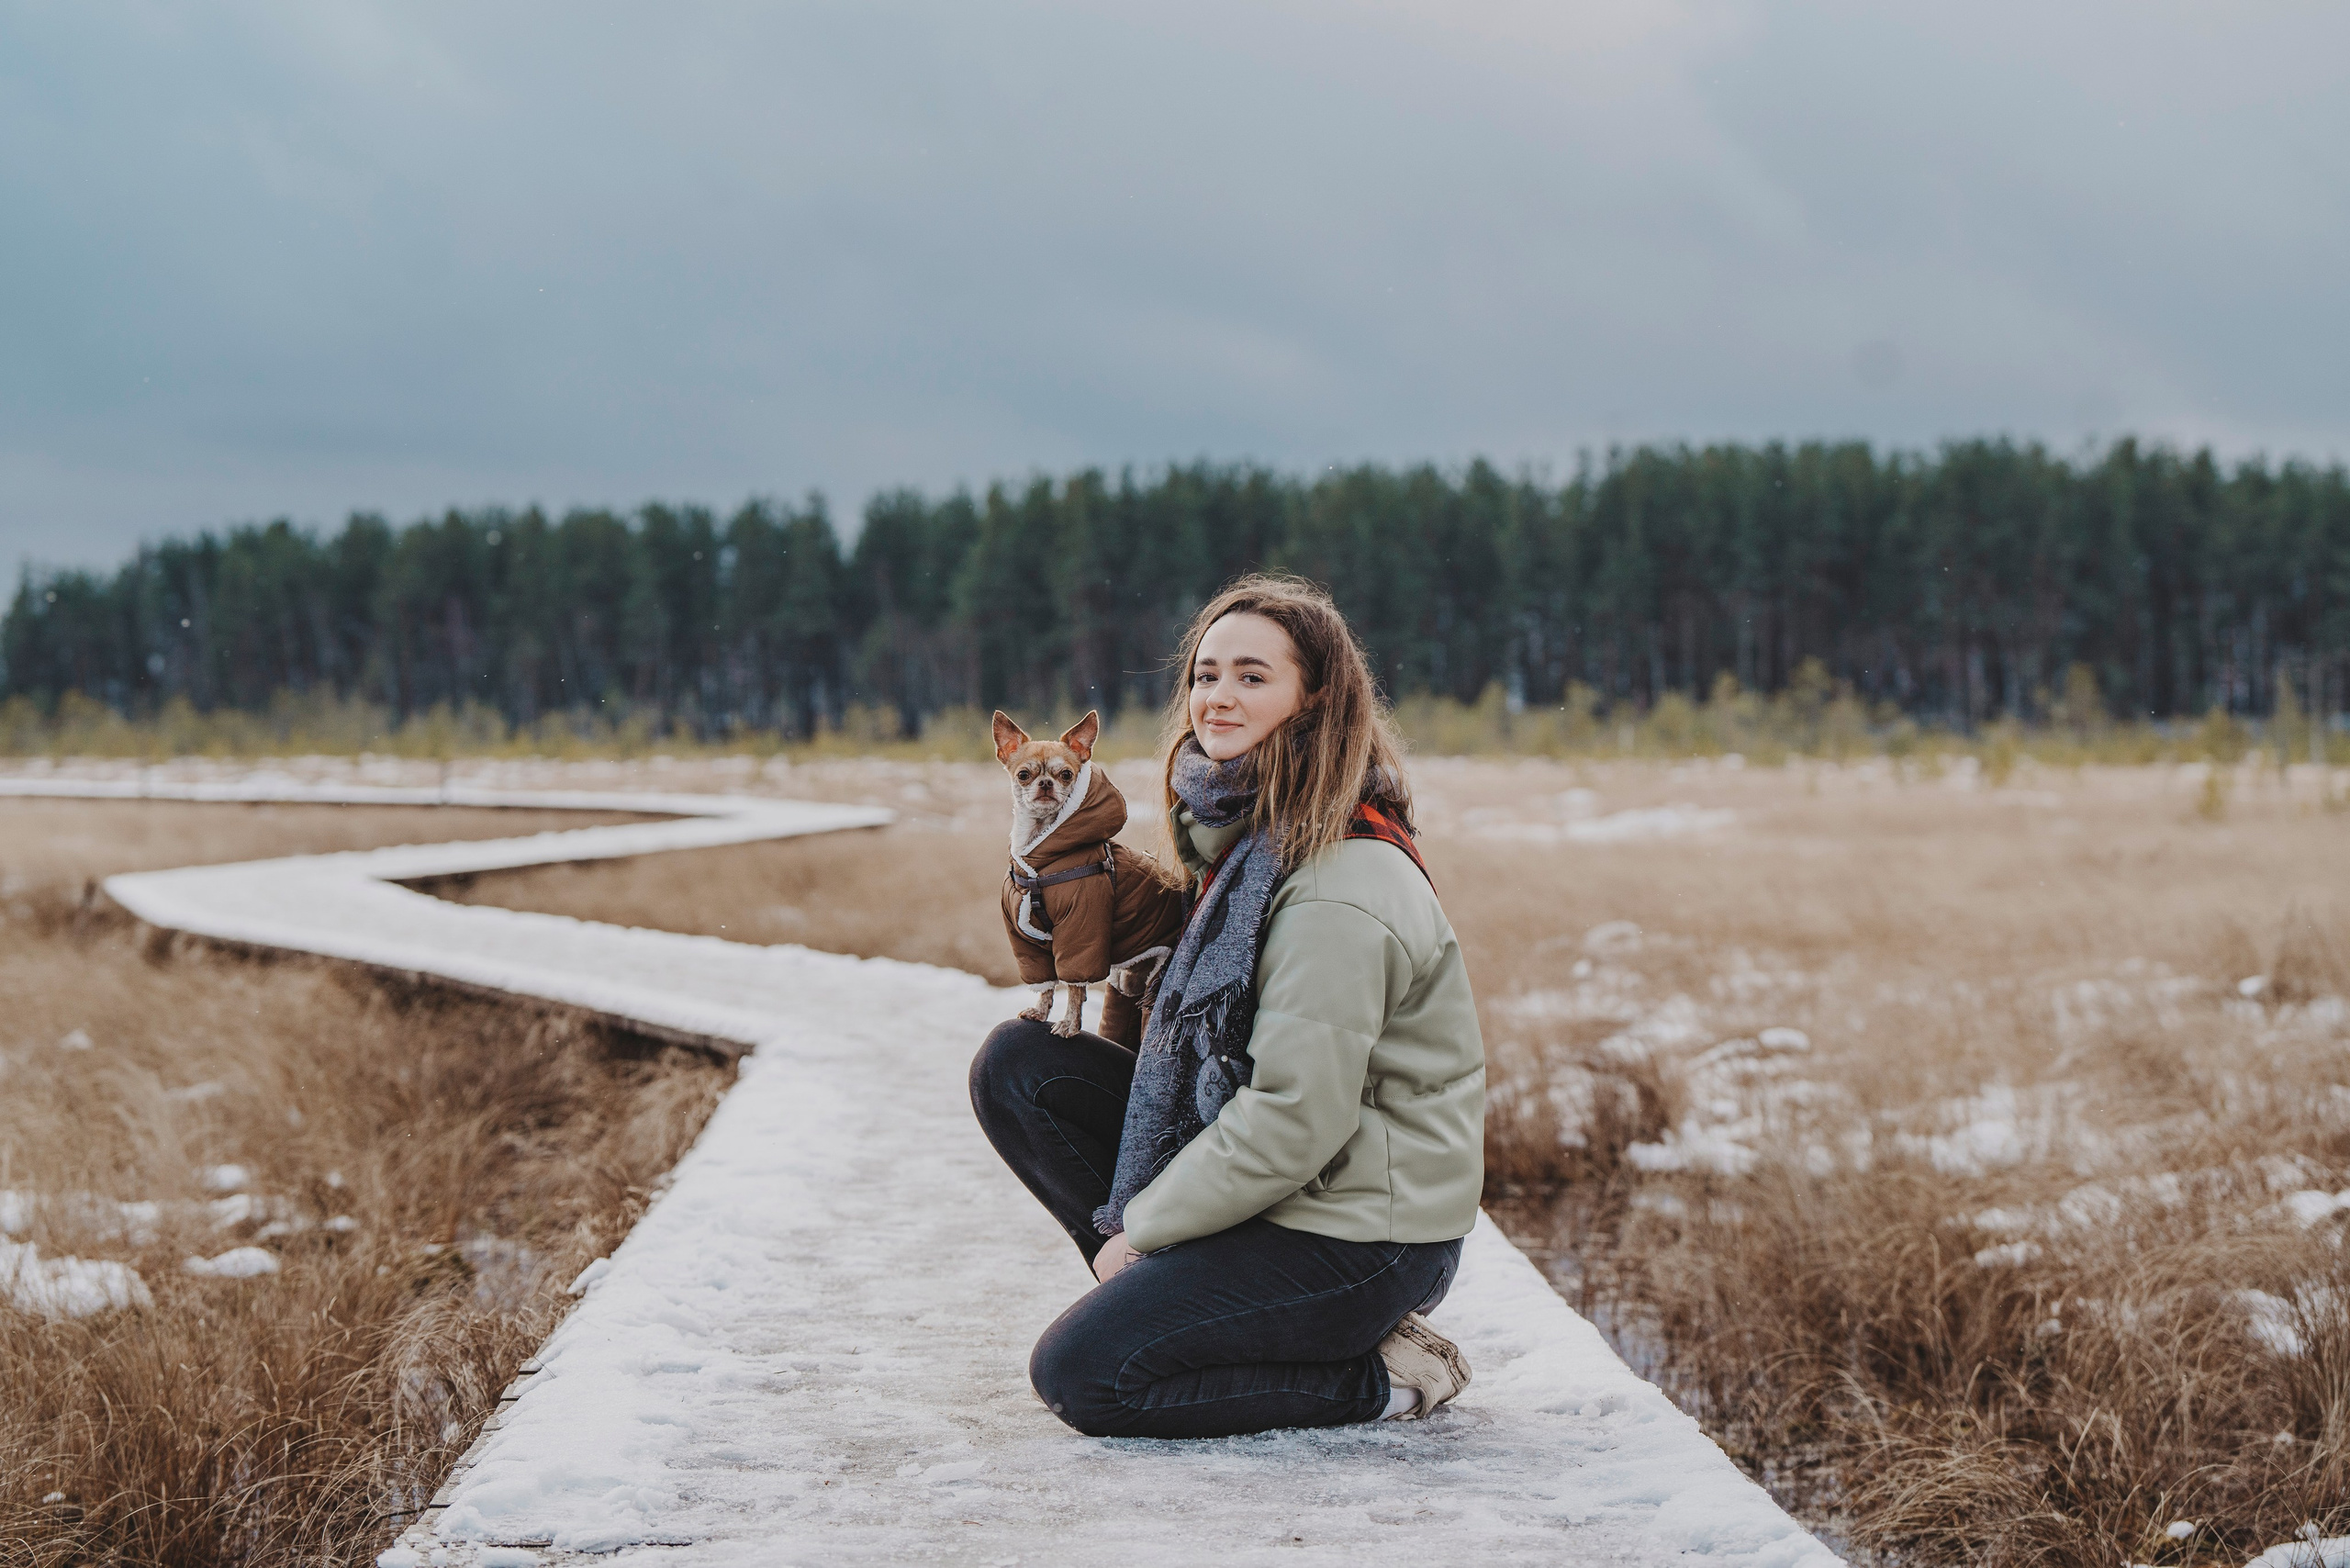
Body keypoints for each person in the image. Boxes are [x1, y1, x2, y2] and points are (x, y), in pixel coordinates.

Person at [968, 575, 1487, 1439]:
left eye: (1252, 676)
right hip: (1288, 1190)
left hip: (1365, 1233)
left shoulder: (1338, 885)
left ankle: (1384, 1374)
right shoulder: (1247, 839)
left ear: (1315, 699)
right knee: (1020, 1067)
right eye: (1206, 675)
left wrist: (1141, 1230)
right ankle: (1190, 1311)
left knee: (1087, 1377)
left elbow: (1295, 1119)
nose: (1217, 696)